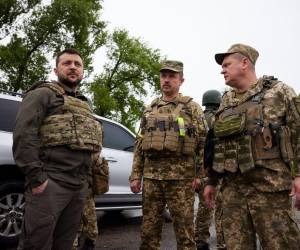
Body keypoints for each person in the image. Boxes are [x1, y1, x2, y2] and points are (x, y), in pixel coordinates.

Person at [204, 43, 300, 250]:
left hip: (270, 189)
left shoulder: (280, 92)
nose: (222, 69)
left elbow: (299, 133)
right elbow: (215, 143)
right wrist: (211, 181)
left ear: (245, 63)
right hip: (233, 192)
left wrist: (299, 175)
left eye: (227, 64)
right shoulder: (226, 101)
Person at [13, 48, 103, 250]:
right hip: (51, 184)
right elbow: (23, 135)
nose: (73, 67)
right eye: (67, 63)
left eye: (77, 64)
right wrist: (37, 178)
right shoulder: (42, 94)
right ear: (56, 69)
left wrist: (87, 182)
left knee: (64, 245)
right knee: (36, 244)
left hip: (78, 187)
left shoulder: (84, 104)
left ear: (83, 71)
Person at [129, 60, 207, 250]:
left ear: (181, 80)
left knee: (185, 234)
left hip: (181, 180)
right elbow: (140, 145)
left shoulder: (192, 108)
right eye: (164, 76)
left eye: (172, 76)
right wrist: (135, 175)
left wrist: (200, 175)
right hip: (152, 179)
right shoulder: (150, 109)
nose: (167, 80)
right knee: (148, 234)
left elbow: (203, 144)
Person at [195, 89, 223, 250]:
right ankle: (222, 243)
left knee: (204, 208)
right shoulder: (217, 119)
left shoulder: (199, 118)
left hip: (198, 170)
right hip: (212, 169)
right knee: (217, 207)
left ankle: (200, 239)